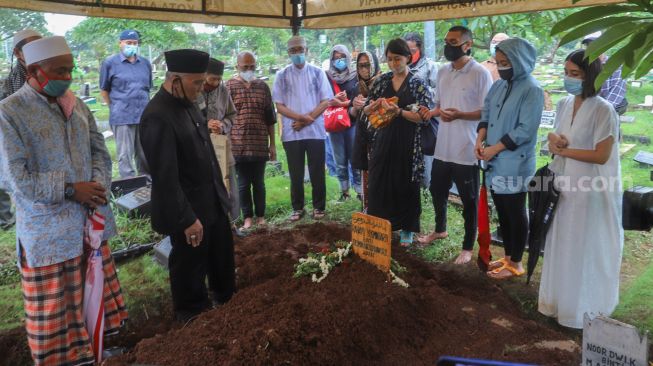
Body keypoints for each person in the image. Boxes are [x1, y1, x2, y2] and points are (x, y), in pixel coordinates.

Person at [0, 36, 127, 364]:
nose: (68, 77)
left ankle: (95, 348)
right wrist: (72, 189)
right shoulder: (9, 112)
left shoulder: (77, 103)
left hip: (89, 221)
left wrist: (97, 184)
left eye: (70, 70)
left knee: (92, 288)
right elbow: (17, 179)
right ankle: (65, 358)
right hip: (48, 233)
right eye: (61, 71)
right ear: (34, 70)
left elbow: (99, 148)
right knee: (58, 304)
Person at [140, 49, 235, 322]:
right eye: (196, 83)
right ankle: (193, 324)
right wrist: (187, 219)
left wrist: (221, 194)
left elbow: (206, 154)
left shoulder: (189, 104)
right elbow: (165, 176)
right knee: (190, 274)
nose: (200, 88)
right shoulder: (157, 115)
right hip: (189, 212)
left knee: (222, 263)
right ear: (175, 80)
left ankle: (227, 311)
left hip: (212, 202)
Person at [539, 49, 623, 329]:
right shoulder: (564, 103)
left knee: (584, 248)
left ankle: (583, 308)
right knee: (563, 242)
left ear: (590, 76)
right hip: (564, 185)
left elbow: (601, 155)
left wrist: (567, 151)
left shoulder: (604, 109)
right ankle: (558, 303)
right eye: (566, 73)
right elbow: (554, 137)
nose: (568, 78)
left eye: (575, 74)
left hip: (591, 189)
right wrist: (553, 141)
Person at [417, 26, 493, 265]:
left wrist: (461, 114)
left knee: (469, 200)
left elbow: (486, 112)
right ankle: (440, 229)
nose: (448, 45)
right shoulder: (442, 72)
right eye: (446, 41)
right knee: (436, 190)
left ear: (467, 45)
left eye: (454, 41)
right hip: (444, 146)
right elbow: (440, 105)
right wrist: (432, 112)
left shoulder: (480, 73)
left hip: (467, 149)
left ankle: (468, 246)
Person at [475, 37, 544, 279]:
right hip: (495, 161)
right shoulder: (499, 86)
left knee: (515, 211)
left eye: (506, 62)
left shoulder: (532, 90)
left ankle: (517, 262)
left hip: (515, 163)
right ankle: (507, 258)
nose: (501, 67)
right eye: (499, 62)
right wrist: (480, 137)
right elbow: (487, 110)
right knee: (502, 211)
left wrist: (494, 149)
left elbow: (525, 130)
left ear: (520, 61)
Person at [363, 38, 431, 245]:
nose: (394, 63)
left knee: (406, 183)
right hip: (382, 138)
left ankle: (407, 229)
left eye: (398, 58)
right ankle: (379, 225)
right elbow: (365, 109)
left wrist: (399, 111)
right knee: (378, 182)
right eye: (390, 59)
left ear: (408, 58)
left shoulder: (417, 83)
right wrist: (374, 106)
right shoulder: (382, 81)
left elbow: (423, 117)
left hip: (409, 141)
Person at [272, 36, 333, 222]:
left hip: (315, 131)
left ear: (307, 50)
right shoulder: (281, 75)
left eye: (300, 49)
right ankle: (297, 208)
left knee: (317, 171)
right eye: (293, 50)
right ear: (289, 53)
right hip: (293, 132)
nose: (297, 53)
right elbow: (279, 105)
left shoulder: (317, 72)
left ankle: (319, 207)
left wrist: (308, 120)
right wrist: (299, 118)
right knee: (295, 173)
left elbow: (326, 100)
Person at [226, 51, 277, 230]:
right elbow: (225, 117)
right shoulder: (229, 87)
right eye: (244, 67)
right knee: (243, 184)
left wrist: (273, 145)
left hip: (259, 144)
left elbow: (270, 118)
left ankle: (261, 216)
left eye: (251, 66)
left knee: (259, 183)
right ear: (237, 67)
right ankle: (247, 217)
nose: (248, 70)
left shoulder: (263, 87)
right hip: (238, 145)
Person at [0, 29, 42, 230]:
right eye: (31, 47)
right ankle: (10, 220)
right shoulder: (11, 84)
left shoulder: (50, 74)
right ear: (18, 53)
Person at [196, 58, 241, 234]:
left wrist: (222, 125)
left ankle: (232, 224)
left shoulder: (222, 90)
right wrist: (205, 125)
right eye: (212, 79)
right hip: (199, 148)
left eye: (218, 79)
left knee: (228, 184)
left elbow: (231, 114)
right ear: (204, 75)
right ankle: (209, 228)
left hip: (222, 146)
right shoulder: (194, 90)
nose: (215, 83)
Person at [100, 29, 152, 178]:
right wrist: (115, 107)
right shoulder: (110, 63)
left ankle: (146, 181)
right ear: (120, 44)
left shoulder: (145, 64)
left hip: (143, 115)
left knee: (144, 153)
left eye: (135, 43)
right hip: (122, 115)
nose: (132, 46)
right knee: (125, 154)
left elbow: (147, 88)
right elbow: (104, 90)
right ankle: (129, 185)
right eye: (128, 43)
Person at [325, 44, 361, 201]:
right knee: (339, 161)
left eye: (342, 57)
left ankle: (360, 192)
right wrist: (335, 101)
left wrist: (341, 103)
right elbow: (324, 100)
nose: (339, 61)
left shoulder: (356, 75)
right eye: (336, 58)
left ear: (348, 57)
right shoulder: (327, 76)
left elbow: (359, 100)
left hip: (353, 123)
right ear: (332, 60)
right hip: (335, 125)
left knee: (356, 159)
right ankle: (344, 192)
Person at [404, 32, 439, 190]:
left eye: (412, 51)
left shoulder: (430, 66)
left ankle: (427, 191)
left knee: (425, 160)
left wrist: (420, 93)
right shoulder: (402, 67)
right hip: (406, 119)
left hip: (425, 120)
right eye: (406, 51)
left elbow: (438, 92)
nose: (409, 54)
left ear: (419, 49)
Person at [351, 51, 382, 211]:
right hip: (364, 138)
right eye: (360, 66)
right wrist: (355, 107)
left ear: (374, 64)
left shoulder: (384, 82)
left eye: (367, 65)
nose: (364, 69)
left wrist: (370, 105)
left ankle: (381, 212)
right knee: (366, 175)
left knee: (380, 176)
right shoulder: (357, 85)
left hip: (380, 137)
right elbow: (352, 113)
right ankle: (368, 211)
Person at [581, 33, 628, 115]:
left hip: (608, 110)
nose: (593, 49)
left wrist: (599, 112)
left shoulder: (614, 65)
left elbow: (616, 92)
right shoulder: (583, 65)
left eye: (596, 45)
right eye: (589, 45)